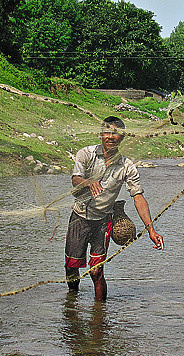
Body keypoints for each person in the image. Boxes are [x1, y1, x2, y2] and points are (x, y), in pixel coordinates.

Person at [65, 116, 164, 301]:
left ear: (122, 137)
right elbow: (75, 179)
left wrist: (151, 230)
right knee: (72, 267)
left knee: (97, 272)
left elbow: (138, 197)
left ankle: (100, 316)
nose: (111, 137)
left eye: (116, 133)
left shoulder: (127, 166)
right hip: (79, 216)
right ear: (100, 135)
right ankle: (72, 301)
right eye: (107, 132)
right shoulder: (86, 154)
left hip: (103, 221)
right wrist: (88, 182)